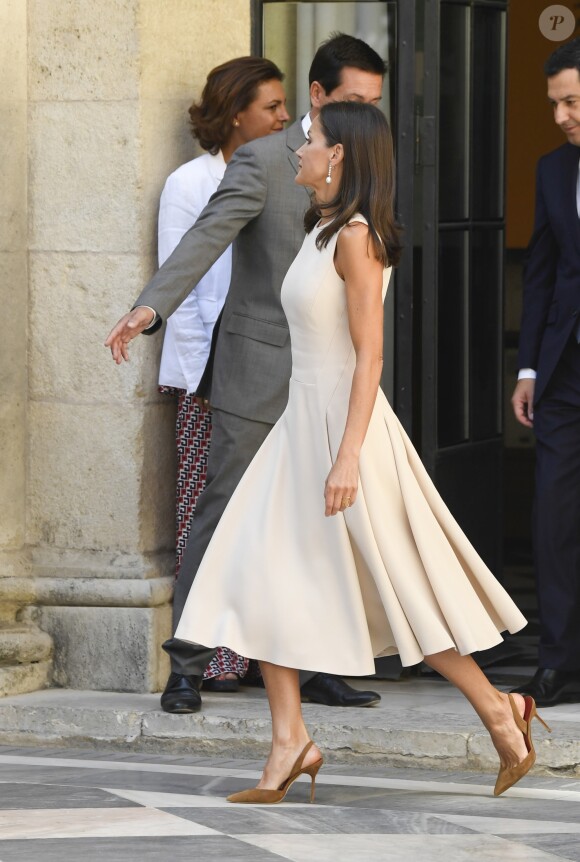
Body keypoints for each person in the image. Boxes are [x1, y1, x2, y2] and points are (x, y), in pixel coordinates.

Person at [174, 101, 549, 804]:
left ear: (340, 154)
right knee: (257, 572)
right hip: (300, 428)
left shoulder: (356, 238)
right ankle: (290, 741)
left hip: (346, 433)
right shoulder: (318, 231)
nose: (298, 149)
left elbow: (370, 358)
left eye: (309, 139)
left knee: (398, 586)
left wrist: (347, 456)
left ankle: (500, 708)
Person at [106, 34, 387, 714]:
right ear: (318, 98)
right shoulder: (264, 161)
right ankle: (188, 666)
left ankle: (314, 661)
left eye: (374, 105)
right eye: (353, 101)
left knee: (323, 521)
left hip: (331, 376)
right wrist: (151, 308)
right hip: (258, 371)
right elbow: (206, 238)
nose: (366, 117)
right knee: (223, 514)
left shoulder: (372, 159)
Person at [157, 56, 290, 693]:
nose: (285, 117)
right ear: (236, 112)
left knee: (276, 528)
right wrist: (197, 388)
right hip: (210, 382)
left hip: (271, 371)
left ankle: (266, 662)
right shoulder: (190, 183)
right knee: (208, 521)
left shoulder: (291, 171)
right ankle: (195, 663)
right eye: (271, 107)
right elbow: (183, 289)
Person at [511, 38, 580, 708]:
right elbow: (541, 273)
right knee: (552, 515)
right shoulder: (554, 170)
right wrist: (528, 366)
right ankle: (556, 659)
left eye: (571, 101)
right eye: (556, 103)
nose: (561, 115)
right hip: (563, 374)